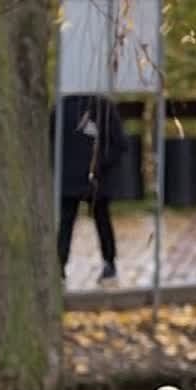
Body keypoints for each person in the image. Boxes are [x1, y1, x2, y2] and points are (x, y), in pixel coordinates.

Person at [53, 94, 128, 284]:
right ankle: (62, 265)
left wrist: (98, 165)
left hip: (88, 178)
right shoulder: (96, 105)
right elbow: (119, 143)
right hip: (86, 177)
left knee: (83, 221)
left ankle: (62, 266)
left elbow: (118, 143)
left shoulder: (96, 106)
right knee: (74, 222)